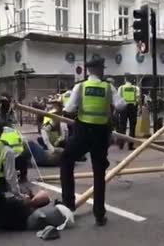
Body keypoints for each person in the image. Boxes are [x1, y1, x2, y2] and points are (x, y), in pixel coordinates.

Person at [60, 57, 126, 226]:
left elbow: (69, 109)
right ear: (101, 70)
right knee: (99, 173)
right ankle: (99, 214)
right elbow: (121, 106)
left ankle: (68, 204)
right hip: (101, 134)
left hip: (82, 133)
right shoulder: (108, 87)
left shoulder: (80, 87)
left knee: (66, 160)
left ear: (89, 71)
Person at [117, 75, 140, 150]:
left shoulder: (121, 88)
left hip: (123, 108)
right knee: (132, 127)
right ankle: (130, 145)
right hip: (133, 108)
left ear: (125, 79)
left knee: (122, 126)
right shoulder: (136, 88)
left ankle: (121, 144)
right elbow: (138, 99)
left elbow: (118, 98)